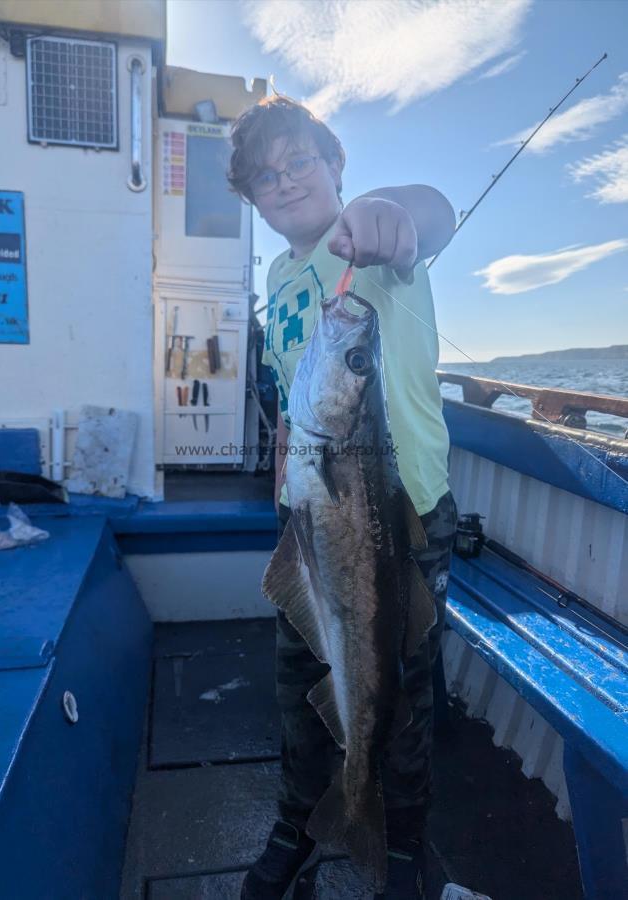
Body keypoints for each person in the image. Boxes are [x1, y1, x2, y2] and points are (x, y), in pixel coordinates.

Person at [227, 95, 458, 900]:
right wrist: (287, 462)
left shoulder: (369, 240)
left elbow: (428, 217)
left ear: (335, 167)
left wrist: (396, 212)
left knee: (399, 692)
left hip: (406, 518)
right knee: (299, 680)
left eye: (300, 162)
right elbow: (301, 393)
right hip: (313, 511)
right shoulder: (283, 273)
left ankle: (398, 844)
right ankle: (302, 817)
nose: (284, 180)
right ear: (252, 198)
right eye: (265, 174)